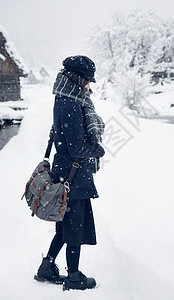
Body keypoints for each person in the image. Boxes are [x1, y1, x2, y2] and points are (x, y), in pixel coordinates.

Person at [34, 55, 105, 291]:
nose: (89, 85)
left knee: (64, 226)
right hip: (74, 176)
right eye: (87, 80)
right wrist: (98, 149)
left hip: (65, 172)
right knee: (74, 227)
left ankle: (47, 266)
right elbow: (77, 147)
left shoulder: (63, 98)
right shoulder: (72, 104)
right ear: (77, 78)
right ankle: (73, 277)